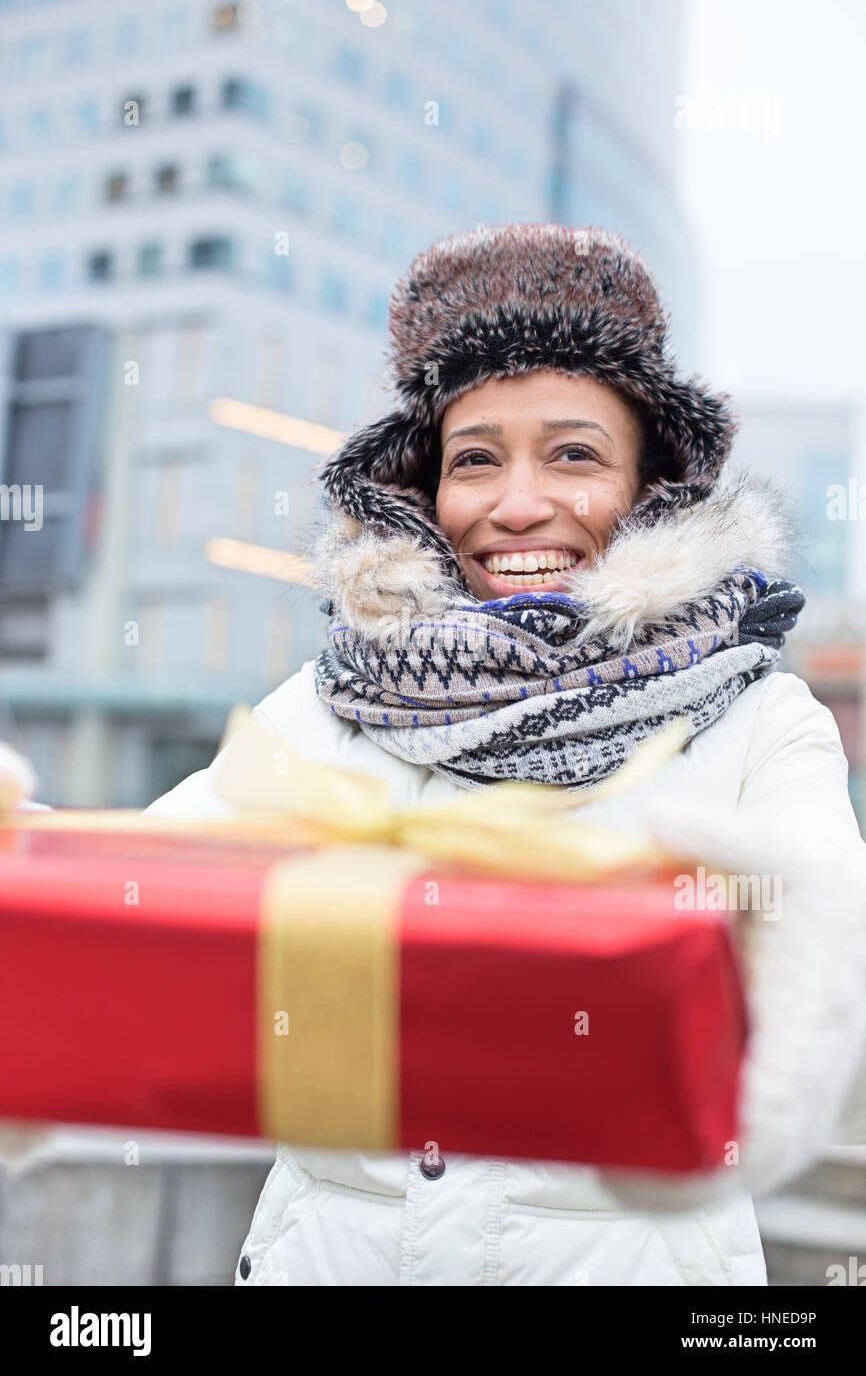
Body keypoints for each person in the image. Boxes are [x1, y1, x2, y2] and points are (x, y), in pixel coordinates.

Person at [4, 224, 866, 1285]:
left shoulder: (756, 716)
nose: (514, 506)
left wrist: (807, 976)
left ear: (650, 489)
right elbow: (138, 900)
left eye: (572, 454)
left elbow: (819, 888)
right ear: (422, 488)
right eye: (474, 461)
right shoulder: (330, 706)